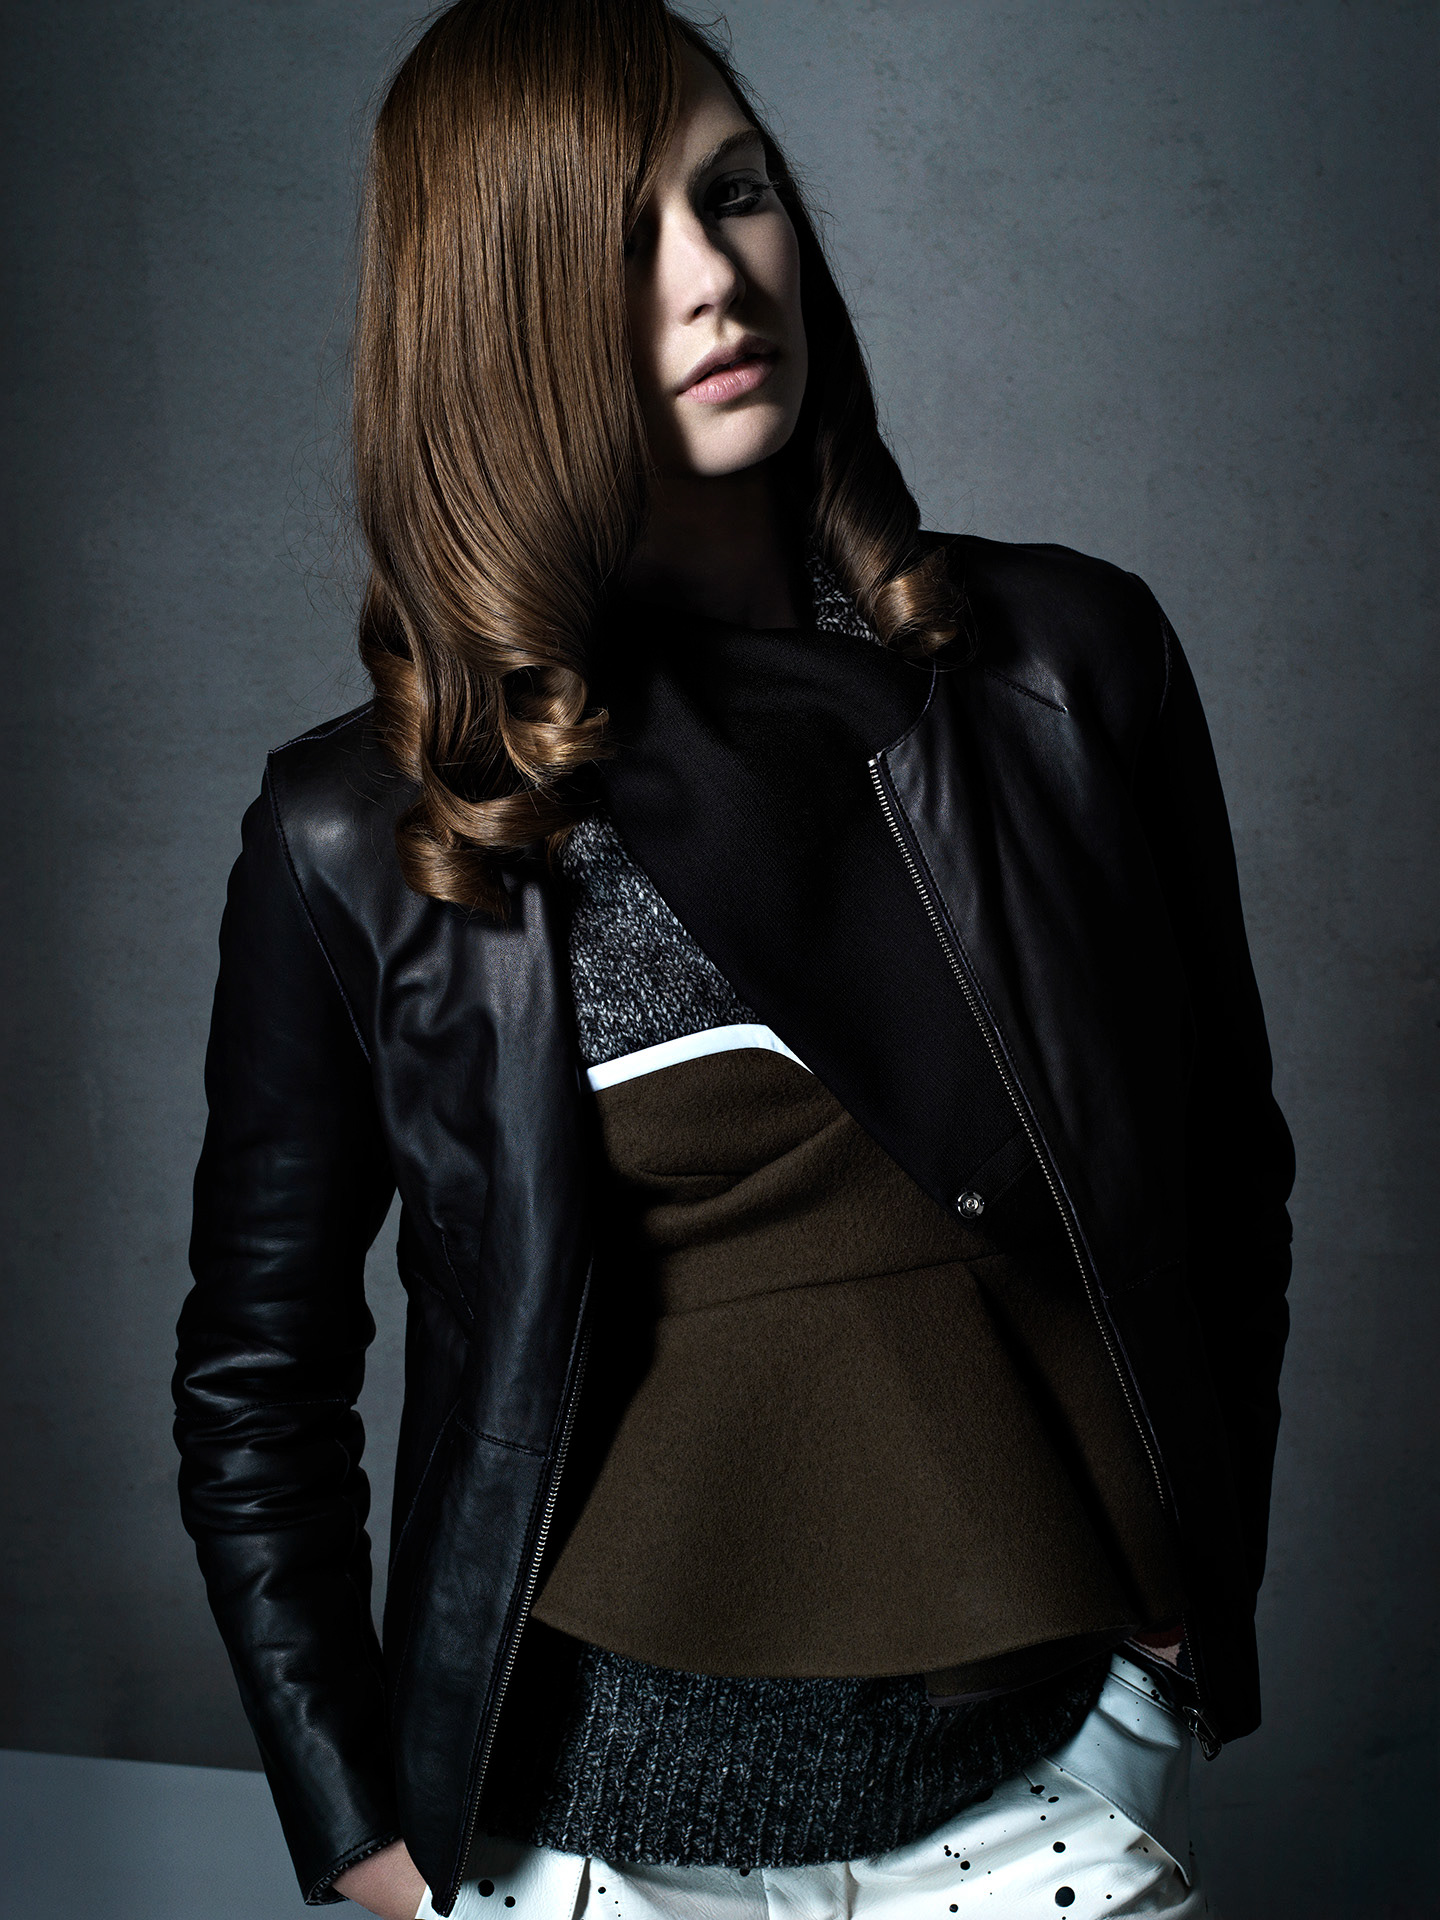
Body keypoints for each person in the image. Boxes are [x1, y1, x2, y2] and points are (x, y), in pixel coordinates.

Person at [173, 3, 1294, 1917]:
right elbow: (255, 1378)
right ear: (494, 320)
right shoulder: (356, 834)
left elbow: (1218, 1183)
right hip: (573, 1839)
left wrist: (1176, 1639)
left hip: (1036, 1795)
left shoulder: (1067, 670)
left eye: (737, 192)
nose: (711, 275)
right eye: (620, 240)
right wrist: (365, 1839)